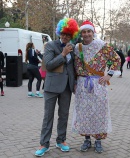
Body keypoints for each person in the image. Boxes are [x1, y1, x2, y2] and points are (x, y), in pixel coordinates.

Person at [72, 20, 121, 153]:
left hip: (98, 85)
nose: (86, 34)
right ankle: (87, 140)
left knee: (99, 112)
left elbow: (116, 59)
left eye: (89, 31)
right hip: (82, 85)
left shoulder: (102, 46)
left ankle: (98, 141)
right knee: (84, 113)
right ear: (81, 33)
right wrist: (75, 83)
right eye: (84, 31)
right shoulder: (77, 48)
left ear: (93, 32)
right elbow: (73, 67)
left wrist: (109, 75)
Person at [35, 18, 79, 157]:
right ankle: (44, 144)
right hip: (51, 86)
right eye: (63, 34)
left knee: (64, 115)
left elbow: (72, 67)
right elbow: (48, 65)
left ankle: (61, 140)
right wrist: (63, 54)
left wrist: (75, 82)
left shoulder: (73, 48)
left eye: (68, 35)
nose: (65, 37)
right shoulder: (50, 46)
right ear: (59, 32)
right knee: (48, 116)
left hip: (67, 87)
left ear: (72, 35)